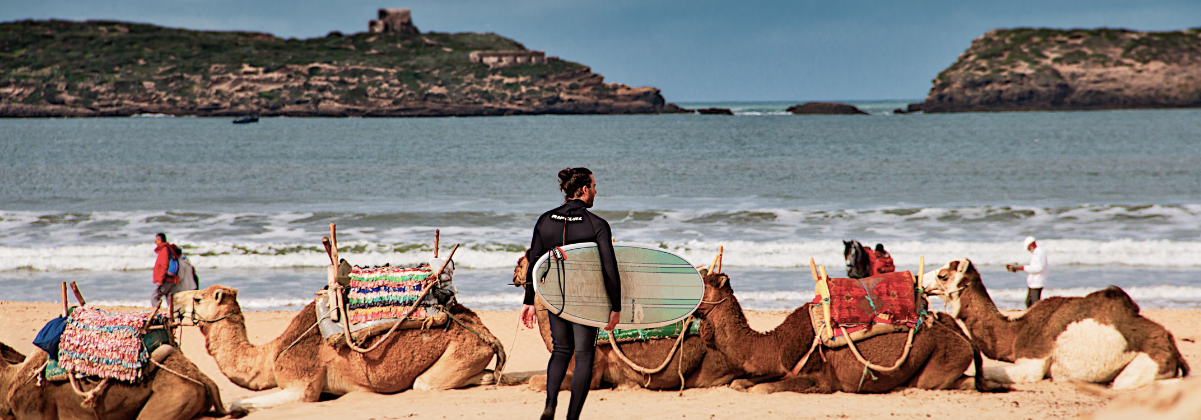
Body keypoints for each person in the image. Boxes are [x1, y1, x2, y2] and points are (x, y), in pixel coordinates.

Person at [521, 168, 620, 420]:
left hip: (556, 299)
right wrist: (615, 306)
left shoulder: (545, 220)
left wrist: (528, 301)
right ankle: (572, 417)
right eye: (595, 186)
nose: (597, 191)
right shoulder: (597, 224)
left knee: (562, 351)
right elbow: (610, 270)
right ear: (584, 189)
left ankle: (550, 405)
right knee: (585, 354)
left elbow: (534, 263)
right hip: (585, 300)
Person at [151, 233, 182, 307]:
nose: (155, 242)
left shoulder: (164, 249)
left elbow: (164, 266)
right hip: (172, 279)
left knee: (154, 297)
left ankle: (157, 314)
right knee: (171, 299)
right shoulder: (168, 248)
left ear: (160, 240)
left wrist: (161, 280)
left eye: (156, 240)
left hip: (167, 279)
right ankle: (174, 316)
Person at [1016, 236, 1048, 308]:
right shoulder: (1035, 253)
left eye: (1028, 247)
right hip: (1033, 283)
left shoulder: (1039, 252)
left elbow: (1039, 268)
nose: (1028, 249)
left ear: (1031, 244)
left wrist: (1024, 268)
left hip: (1037, 283)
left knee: (1035, 305)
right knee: (1028, 302)